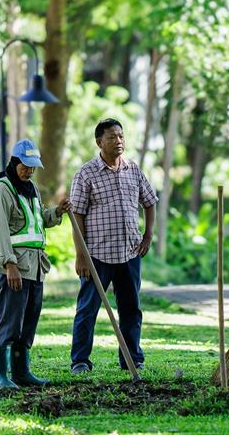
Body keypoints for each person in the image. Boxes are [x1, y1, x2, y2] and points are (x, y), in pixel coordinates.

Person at [69, 118, 158, 375]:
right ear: (99, 142)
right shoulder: (86, 174)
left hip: (130, 253)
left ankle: (132, 358)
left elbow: (150, 202)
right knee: (88, 309)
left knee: (131, 309)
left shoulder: (134, 170)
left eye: (121, 136)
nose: (118, 141)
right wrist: (80, 255)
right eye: (111, 137)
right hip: (97, 254)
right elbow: (77, 215)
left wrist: (148, 236)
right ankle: (80, 361)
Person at [0, 139, 72, 390]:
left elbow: (38, 221)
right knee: (10, 320)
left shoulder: (31, 188)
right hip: (13, 266)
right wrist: (9, 264)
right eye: (26, 166)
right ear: (14, 163)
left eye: (34, 167)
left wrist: (57, 212)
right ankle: (2, 375)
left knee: (29, 321)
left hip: (35, 267)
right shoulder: (2, 190)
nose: (30, 171)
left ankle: (22, 372)